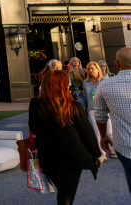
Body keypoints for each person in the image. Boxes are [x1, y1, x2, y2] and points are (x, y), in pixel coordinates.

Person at [29, 70, 103, 205]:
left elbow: (33, 129)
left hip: (47, 155)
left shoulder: (36, 105)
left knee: (63, 192)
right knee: (66, 195)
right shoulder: (74, 106)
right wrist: (97, 154)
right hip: (72, 156)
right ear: (64, 85)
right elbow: (87, 134)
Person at [94, 47, 131, 196]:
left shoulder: (105, 85)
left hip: (125, 146)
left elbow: (100, 116)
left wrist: (103, 135)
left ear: (116, 63)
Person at [83, 62, 115, 160]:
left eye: (92, 68)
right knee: (97, 132)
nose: (90, 71)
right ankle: (102, 153)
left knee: (109, 131)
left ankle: (112, 149)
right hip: (92, 109)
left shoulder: (105, 80)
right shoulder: (86, 82)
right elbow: (85, 95)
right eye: (88, 69)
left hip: (105, 108)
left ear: (98, 69)